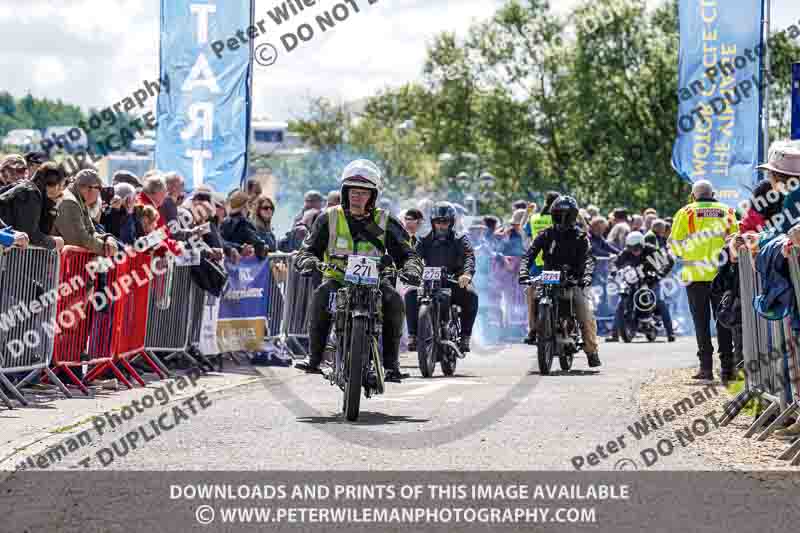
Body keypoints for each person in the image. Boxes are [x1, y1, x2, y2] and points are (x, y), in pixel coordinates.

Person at [294, 159, 422, 382]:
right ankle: (314, 358)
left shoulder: (385, 220)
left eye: (364, 192)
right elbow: (307, 249)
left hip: (376, 282)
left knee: (394, 301)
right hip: (338, 279)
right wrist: (306, 261)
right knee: (321, 296)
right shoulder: (328, 218)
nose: (357, 196)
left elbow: (409, 254)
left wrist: (411, 268)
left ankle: (391, 365)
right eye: (353, 191)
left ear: (373, 196)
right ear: (345, 192)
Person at [668, 180, 738, 381]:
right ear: (713, 194)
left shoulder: (687, 212)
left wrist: (685, 253)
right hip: (722, 276)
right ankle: (728, 369)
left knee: (701, 322)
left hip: (695, 276)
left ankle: (706, 368)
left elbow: (674, 244)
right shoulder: (727, 211)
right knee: (724, 320)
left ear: (693, 196)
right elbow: (736, 238)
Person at [519, 196, 601, 367]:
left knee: (585, 312)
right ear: (553, 215)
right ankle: (534, 328)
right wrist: (524, 271)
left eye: (567, 215)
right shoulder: (545, 234)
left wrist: (585, 276)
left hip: (574, 279)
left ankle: (591, 350)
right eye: (559, 214)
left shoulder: (580, 236)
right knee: (530, 289)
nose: (563, 219)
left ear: (573, 216)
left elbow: (589, 259)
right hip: (549, 276)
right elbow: (529, 254)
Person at [405, 202, 478, 353]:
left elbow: (469, 257)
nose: (441, 225)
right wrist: (411, 271)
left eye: (445, 222)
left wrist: (466, 274)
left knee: (472, 294)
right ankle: (412, 335)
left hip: (455, 282)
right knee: (410, 293)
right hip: (429, 283)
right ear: (433, 222)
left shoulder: (460, 239)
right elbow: (414, 257)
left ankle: (465, 336)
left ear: (451, 223)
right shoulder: (423, 239)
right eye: (438, 222)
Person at [605, 231, 675, 342]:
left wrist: (661, 274)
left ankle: (670, 332)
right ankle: (614, 334)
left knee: (659, 301)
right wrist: (613, 271)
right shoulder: (626, 252)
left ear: (642, 244)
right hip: (633, 278)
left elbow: (669, 261)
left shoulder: (651, 250)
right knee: (620, 302)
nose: (635, 251)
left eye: (637, 247)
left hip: (652, 279)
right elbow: (616, 263)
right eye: (631, 248)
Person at [0, 162, 66, 251]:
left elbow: (41, 229)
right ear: (56, 186)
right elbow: (30, 235)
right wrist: (53, 242)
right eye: (62, 186)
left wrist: (53, 204)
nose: (62, 191)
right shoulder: (31, 193)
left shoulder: (27, 188)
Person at [54, 169, 118, 256]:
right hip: (50, 265)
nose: (100, 194)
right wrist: (105, 249)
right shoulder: (69, 202)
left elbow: (91, 232)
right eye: (99, 188)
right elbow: (79, 239)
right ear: (89, 188)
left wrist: (107, 238)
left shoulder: (79, 201)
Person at [221, 190, 268, 259]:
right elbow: (257, 243)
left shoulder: (224, 222)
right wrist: (263, 247)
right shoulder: (244, 222)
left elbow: (221, 241)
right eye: (249, 204)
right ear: (245, 205)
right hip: (243, 265)